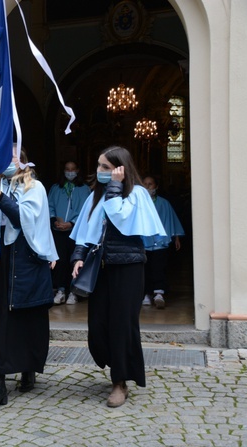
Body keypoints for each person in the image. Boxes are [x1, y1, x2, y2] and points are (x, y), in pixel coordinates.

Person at [70, 146, 165, 408]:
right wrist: (78, 256)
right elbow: (84, 231)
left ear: (120, 169)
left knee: (122, 326)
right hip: (100, 269)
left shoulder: (138, 195)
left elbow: (121, 218)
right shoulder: (95, 196)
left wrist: (114, 188)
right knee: (98, 328)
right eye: (99, 166)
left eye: (105, 167)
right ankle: (118, 365)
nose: (99, 171)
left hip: (128, 269)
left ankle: (120, 381)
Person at [0, 147, 58, 410]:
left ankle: (28, 367)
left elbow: (24, 219)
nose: (9, 161)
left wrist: (0, 198)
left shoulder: (36, 188)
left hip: (27, 261)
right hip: (0, 260)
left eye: (14, 155)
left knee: (27, 320)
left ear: (24, 159)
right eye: (4, 157)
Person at [47, 161, 91, 305]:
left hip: (76, 232)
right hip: (58, 230)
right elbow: (49, 206)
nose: (70, 172)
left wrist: (71, 223)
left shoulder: (84, 189)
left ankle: (74, 291)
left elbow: (86, 210)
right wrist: (54, 221)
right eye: (67, 169)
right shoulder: (56, 188)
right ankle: (61, 290)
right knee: (60, 260)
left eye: (73, 169)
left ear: (78, 170)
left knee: (75, 260)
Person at [141, 176, 185, 309]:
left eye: (151, 184)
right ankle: (146, 294)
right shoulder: (138, 204)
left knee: (159, 267)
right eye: (146, 184)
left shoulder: (164, 203)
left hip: (160, 243)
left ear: (156, 186)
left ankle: (159, 293)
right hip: (144, 242)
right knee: (145, 269)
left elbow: (172, 220)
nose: (148, 187)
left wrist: (176, 237)